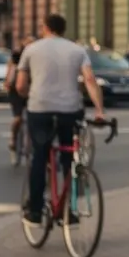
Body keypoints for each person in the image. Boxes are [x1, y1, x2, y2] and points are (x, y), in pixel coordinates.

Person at [16, 15, 104, 229]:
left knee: (40, 156)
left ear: (45, 27)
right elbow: (90, 80)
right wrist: (100, 110)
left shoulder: (32, 49)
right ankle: (70, 211)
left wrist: (31, 95)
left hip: (40, 110)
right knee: (69, 158)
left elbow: (20, 85)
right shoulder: (77, 51)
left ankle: (35, 212)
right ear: (64, 30)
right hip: (69, 111)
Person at [5, 36, 33, 161]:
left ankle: (31, 143)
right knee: (18, 118)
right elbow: (10, 71)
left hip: (31, 89)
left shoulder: (37, 56)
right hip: (16, 90)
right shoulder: (16, 56)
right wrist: (8, 82)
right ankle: (13, 138)